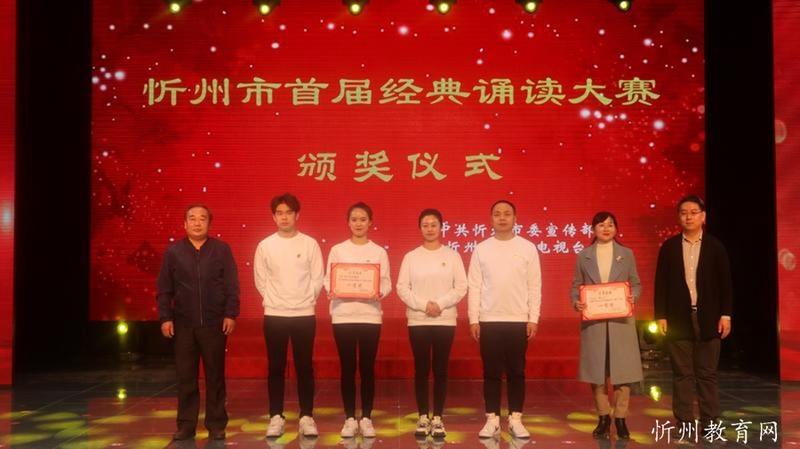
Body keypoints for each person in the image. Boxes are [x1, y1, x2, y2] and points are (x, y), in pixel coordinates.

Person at [157, 204, 240, 441]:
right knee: (186, 377)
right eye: (192, 218)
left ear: (209, 224)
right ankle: (186, 425)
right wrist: (165, 317)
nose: (197, 222)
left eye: (202, 218)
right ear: (184, 224)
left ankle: (216, 424)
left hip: (214, 323)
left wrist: (230, 314)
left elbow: (232, 285)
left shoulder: (221, 250)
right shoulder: (174, 252)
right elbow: (164, 288)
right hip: (183, 324)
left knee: (215, 376)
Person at [655, 195, 733, 429]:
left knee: (706, 374)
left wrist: (726, 315)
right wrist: (661, 315)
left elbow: (726, 284)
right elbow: (661, 284)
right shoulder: (669, 247)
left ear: (703, 216)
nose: (688, 217)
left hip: (709, 317)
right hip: (678, 318)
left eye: (693, 212)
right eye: (683, 213)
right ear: (678, 217)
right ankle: (684, 422)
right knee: (682, 374)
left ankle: (710, 422)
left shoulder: (715, 247)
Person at [468, 200, 541, 439]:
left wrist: (533, 318)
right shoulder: (481, 249)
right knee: (491, 372)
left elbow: (534, 285)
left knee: (516, 371)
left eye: (507, 214)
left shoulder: (528, 248)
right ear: (491, 219)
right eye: (497, 214)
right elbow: (474, 286)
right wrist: (474, 319)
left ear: (515, 218)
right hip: (489, 319)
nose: (502, 218)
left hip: (518, 319)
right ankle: (492, 419)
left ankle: (516, 419)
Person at [254, 193, 324, 438]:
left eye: (289, 213)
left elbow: (317, 278)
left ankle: (306, 416)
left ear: (297, 215)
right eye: (279, 213)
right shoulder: (265, 245)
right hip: (275, 314)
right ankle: (276, 416)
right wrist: (275, 301)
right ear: (274, 217)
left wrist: (306, 299)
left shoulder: (309, 244)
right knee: (276, 366)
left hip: (304, 314)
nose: (284, 217)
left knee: (304, 366)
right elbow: (261, 280)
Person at [570, 211, 643, 440]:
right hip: (594, 322)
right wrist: (577, 302)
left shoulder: (626, 254)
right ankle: (603, 417)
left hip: (621, 321)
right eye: (601, 225)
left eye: (610, 225)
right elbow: (576, 286)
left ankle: (620, 418)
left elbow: (636, 283)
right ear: (593, 229)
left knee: (623, 372)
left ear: (616, 229)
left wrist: (632, 296)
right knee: (597, 373)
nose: (606, 228)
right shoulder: (584, 255)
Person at [397, 209, 468, 438]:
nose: (429, 229)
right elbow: (402, 287)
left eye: (434, 224)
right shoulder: (411, 257)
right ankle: (422, 416)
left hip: (444, 320)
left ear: (441, 227)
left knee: (440, 369)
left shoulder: (452, 256)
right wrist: (423, 305)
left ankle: (437, 417)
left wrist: (440, 304)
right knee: (421, 369)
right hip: (418, 320)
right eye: (425, 225)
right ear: (420, 228)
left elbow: (461, 286)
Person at [325, 202, 391, 438]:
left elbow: (386, 282)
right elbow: (328, 279)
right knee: (347, 367)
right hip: (343, 316)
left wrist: (379, 292)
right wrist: (332, 289)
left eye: (363, 219)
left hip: (369, 316)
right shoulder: (337, 250)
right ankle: (349, 418)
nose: (358, 223)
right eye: (354, 219)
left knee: (367, 368)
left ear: (370, 222)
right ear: (348, 222)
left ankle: (366, 418)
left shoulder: (379, 252)